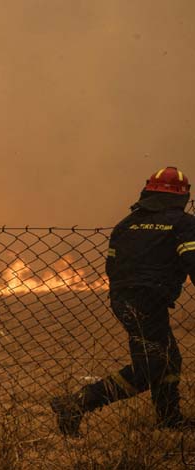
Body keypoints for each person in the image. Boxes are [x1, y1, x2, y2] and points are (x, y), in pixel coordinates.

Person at [51, 166, 195, 437]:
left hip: (123, 299)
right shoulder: (184, 223)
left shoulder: (126, 224)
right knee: (151, 367)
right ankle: (77, 402)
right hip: (148, 302)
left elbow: (112, 267)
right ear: (182, 196)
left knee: (168, 359)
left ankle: (169, 418)